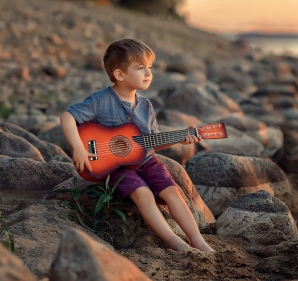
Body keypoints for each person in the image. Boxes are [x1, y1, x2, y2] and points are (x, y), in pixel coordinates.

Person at [60, 38, 214, 252]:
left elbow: (150, 143)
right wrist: (78, 147)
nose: (149, 73)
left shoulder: (146, 106)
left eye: (150, 67)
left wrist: (180, 138)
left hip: (146, 161)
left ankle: (198, 241)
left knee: (173, 192)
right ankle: (175, 242)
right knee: (143, 194)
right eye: (141, 68)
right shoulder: (101, 100)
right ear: (119, 74)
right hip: (115, 166)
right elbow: (68, 116)